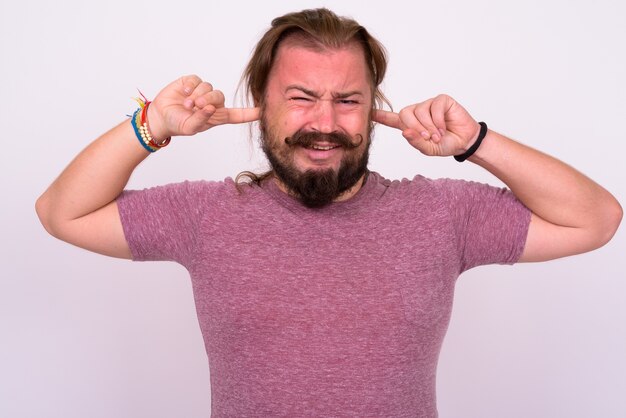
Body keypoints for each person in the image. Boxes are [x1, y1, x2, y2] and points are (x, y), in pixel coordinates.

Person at [36, 7, 621, 418]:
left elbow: (596, 219)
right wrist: (151, 126)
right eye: (300, 98)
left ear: (374, 111)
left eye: (347, 101)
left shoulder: (441, 213)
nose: (325, 123)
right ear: (261, 102)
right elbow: (62, 213)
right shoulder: (206, 213)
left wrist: (474, 143)